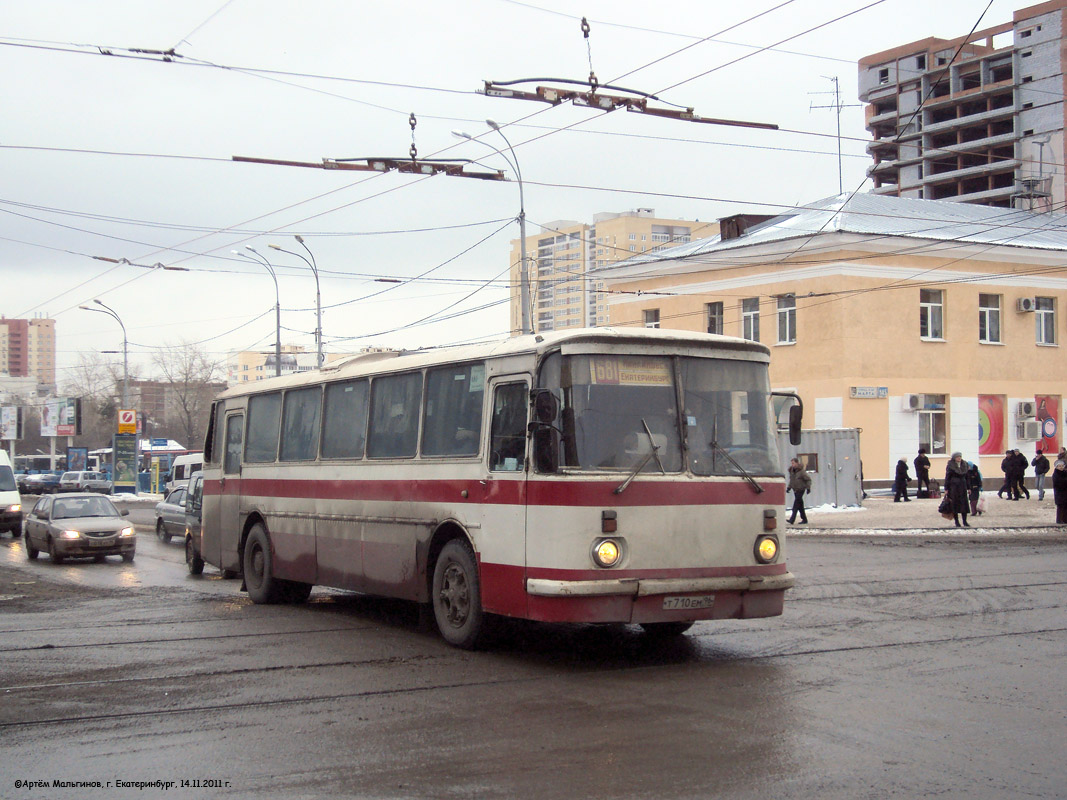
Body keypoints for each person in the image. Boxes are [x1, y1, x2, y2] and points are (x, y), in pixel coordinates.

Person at [944, 452, 972, 528]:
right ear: (954, 458)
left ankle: (965, 521)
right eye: (957, 457)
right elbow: (947, 477)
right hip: (953, 487)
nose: (959, 458)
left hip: (963, 487)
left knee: (964, 505)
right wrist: (946, 488)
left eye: (960, 456)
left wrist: (969, 487)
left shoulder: (964, 464)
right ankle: (957, 522)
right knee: (955, 505)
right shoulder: (951, 465)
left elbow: (967, 477)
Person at [787, 457, 812, 524]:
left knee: (796, 504)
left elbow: (808, 479)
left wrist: (808, 488)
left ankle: (792, 519)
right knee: (800, 505)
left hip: (801, 489)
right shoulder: (792, 471)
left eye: (793, 463)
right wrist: (789, 487)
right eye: (791, 463)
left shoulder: (801, 472)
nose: (792, 465)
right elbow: (792, 480)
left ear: (797, 463)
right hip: (795, 490)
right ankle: (804, 519)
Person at [1053, 460, 1067, 525]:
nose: (1061, 467)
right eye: (1059, 466)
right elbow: (1059, 483)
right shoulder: (1056, 474)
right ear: (1056, 467)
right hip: (1059, 493)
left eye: (1062, 466)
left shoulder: (1065, 473)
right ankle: (1059, 520)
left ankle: (1065, 519)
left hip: (1065, 493)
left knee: (1065, 506)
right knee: (1060, 506)